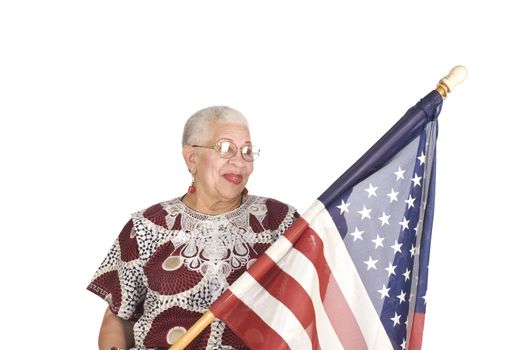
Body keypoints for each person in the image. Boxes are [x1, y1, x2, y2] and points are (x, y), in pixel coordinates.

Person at [87, 106, 298, 350]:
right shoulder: (146, 227)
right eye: (226, 148)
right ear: (192, 157)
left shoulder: (280, 223)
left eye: (247, 151)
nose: (240, 161)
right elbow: (118, 317)